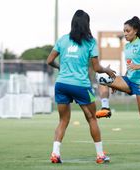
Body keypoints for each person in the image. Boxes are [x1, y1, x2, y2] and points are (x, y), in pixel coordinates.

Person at [47, 9, 115, 164]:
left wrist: (60, 68)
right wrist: (107, 70)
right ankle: (100, 156)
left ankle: (55, 154)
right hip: (80, 86)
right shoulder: (90, 42)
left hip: (61, 84)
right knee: (92, 119)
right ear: (87, 24)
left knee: (63, 121)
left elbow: (49, 60)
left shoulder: (63, 39)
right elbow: (97, 68)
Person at [98, 16, 140, 158]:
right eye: (124, 31)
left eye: (127, 31)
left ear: (135, 30)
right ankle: (105, 108)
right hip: (130, 80)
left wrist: (139, 66)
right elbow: (130, 67)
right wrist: (119, 83)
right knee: (103, 79)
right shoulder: (127, 46)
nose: (125, 33)